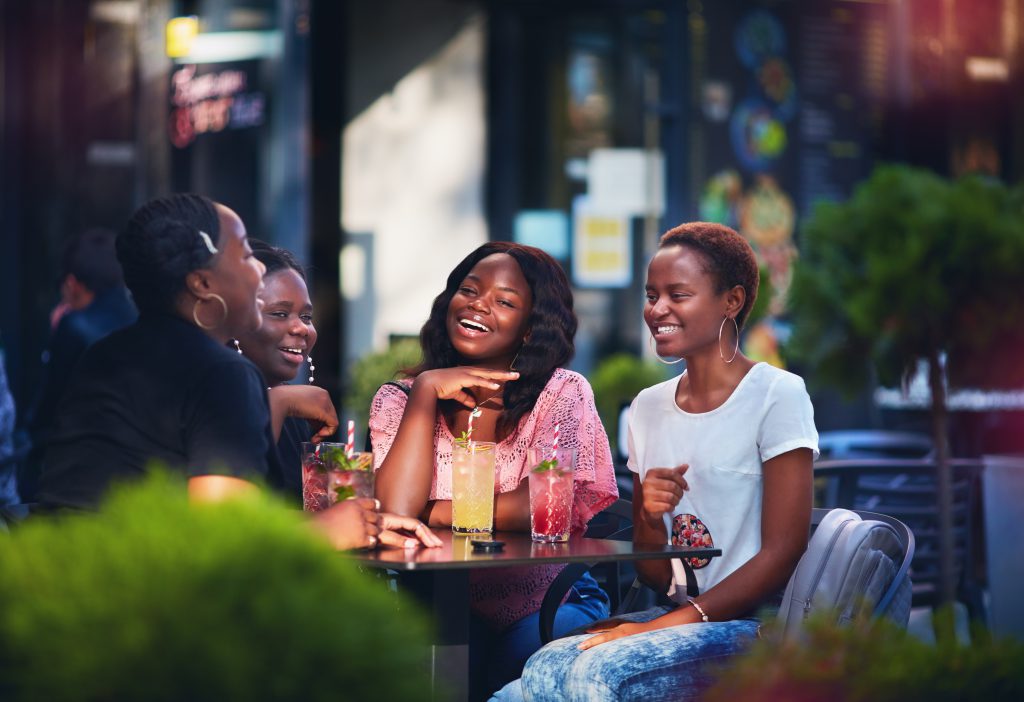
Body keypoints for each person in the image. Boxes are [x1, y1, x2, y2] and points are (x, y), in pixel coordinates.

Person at [505, 222, 819, 701]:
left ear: (732, 301)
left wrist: (659, 627)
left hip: (757, 628)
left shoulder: (778, 394)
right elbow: (655, 575)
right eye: (652, 295)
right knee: (544, 665)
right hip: (678, 616)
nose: (657, 309)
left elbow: (783, 552)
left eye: (678, 295)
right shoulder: (648, 407)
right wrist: (651, 518)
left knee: (589, 675)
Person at [35, 194, 439, 552]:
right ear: (202, 283)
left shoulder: (103, 354)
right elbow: (224, 540)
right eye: (246, 255)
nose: (259, 270)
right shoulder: (222, 373)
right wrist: (326, 530)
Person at [371, 242, 619, 698]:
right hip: (435, 607)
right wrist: (425, 392)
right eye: (469, 290)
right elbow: (395, 513)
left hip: (548, 599)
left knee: (516, 673)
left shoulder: (560, 393)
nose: (479, 305)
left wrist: (433, 511)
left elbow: (537, 506)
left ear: (530, 329)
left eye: (504, 301)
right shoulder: (400, 398)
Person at [21, 228, 138, 501]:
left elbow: (46, 412)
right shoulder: (141, 317)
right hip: (134, 470)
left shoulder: (74, 327)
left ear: (72, 284)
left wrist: (56, 337)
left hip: (77, 476)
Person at [235, 239, 317, 505]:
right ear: (236, 319)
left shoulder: (296, 416)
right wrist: (280, 403)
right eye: (280, 314)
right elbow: (237, 509)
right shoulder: (216, 401)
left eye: (306, 317)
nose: (301, 328)